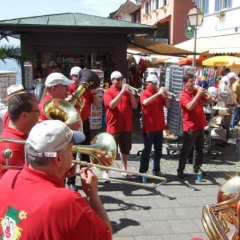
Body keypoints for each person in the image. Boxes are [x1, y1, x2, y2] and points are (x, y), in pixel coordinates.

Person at [0, 120, 112, 240]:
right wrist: (92, 195)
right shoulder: (67, 201)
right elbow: (106, 236)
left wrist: (58, 177)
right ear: (58, 159)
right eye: (71, 150)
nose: (73, 155)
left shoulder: (7, 178)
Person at [38, 72, 82, 191]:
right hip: (52, 159)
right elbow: (45, 135)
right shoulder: (45, 106)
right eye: (64, 87)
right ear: (54, 89)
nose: (67, 90)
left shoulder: (56, 103)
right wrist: (68, 126)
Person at [67, 68, 100, 190]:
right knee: (73, 153)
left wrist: (95, 93)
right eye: (75, 76)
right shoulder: (68, 89)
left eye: (78, 76)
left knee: (85, 151)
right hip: (72, 123)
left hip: (85, 122)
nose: (78, 78)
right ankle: (71, 181)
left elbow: (97, 104)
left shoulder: (86, 89)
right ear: (71, 76)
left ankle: (86, 178)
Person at [103, 71, 138, 179]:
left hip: (126, 125)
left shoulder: (127, 92)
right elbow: (112, 105)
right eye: (118, 79)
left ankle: (124, 169)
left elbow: (135, 106)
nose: (120, 81)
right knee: (110, 150)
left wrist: (132, 95)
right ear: (112, 80)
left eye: (121, 79)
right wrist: (122, 92)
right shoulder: (108, 92)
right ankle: (106, 171)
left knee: (125, 149)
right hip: (113, 125)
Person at [177, 73, 212, 179]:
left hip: (200, 124)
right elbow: (189, 107)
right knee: (186, 149)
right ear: (185, 83)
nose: (193, 84)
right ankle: (180, 170)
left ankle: (197, 167)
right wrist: (198, 95)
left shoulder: (197, 91)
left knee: (199, 148)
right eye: (191, 82)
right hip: (190, 126)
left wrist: (207, 94)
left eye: (193, 81)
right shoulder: (183, 95)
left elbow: (209, 100)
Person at [0, 93, 39, 179]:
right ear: (24, 115)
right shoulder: (13, 145)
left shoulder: (18, 137)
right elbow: (23, 181)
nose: (38, 116)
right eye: (36, 112)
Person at [139, 74, 170, 176]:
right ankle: (143, 172)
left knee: (158, 151)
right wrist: (158, 94)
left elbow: (167, 106)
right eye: (154, 83)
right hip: (149, 127)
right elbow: (145, 102)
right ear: (148, 83)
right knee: (147, 151)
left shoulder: (159, 93)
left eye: (156, 83)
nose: (156, 85)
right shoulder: (144, 93)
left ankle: (156, 170)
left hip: (159, 127)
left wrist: (166, 96)